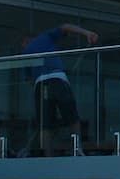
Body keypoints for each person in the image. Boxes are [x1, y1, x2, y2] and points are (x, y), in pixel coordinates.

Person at [22, 23, 99, 156]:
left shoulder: (26, 51)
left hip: (41, 84)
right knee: (72, 117)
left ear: (26, 40)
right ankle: (77, 148)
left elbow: (29, 80)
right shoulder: (46, 37)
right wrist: (87, 32)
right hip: (58, 79)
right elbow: (65, 27)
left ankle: (48, 155)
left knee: (45, 124)